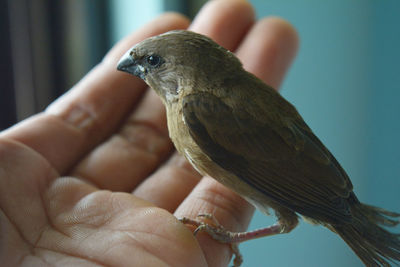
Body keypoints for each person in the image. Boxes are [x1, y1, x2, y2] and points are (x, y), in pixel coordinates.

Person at [0, 0, 298, 266]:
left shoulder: (200, 110)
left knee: (286, 220)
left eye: (153, 62)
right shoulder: (205, 105)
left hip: (312, 188)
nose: (134, 67)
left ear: (185, 74)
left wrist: (227, 236)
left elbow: (287, 211)